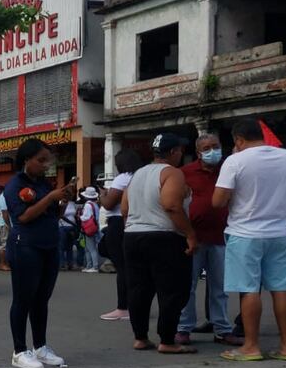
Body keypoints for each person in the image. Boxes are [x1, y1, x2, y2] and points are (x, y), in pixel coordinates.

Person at [212, 119, 286, 361]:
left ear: (238, 140)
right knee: (282, 288)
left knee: (249, 290)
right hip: (282, 232)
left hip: (245, 233)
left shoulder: (235, 161)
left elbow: (218, 201)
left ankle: (251, 346)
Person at [122, 133, 197, 354]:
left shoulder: (137, 174)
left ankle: (140, 337)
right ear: (173, 152)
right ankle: (167, 340)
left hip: (133, 235)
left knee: (138, 289)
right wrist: (190, 234)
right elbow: (172, 205)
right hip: (164, 237)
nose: (181, 155)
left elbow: (125, 209)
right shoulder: (172, 173)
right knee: (173, 290)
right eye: (180, 151)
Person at [3, 138, 72, 368]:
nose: (45, 165)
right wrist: (51, 198)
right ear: (26, 160)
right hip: (26, 246)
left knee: (42, 299)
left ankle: (40, 346)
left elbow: (53, 213)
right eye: (40, 160)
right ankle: (20, 350)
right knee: (23, 299)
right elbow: (23, 217)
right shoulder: (15, 184)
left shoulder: (44, 184)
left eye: (47, 160)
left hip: (49, 245)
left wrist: (62, 200)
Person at [177, 133, 239, 347]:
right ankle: (183, 328)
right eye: (207, 148)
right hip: (193, 238)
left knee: (220, 287)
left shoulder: (228, 169)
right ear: (199, 152)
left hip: (222, 237)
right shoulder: (185, 173)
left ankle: (222, 328)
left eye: (216, 146)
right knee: (187, 286)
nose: (213, 151)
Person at [99, 148, 143, 321]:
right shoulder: (141, 177)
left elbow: (109, 204)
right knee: (134, 267)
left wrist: (102, 195)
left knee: (122, 267)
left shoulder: (122, 178)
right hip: (136, 222)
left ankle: (123, 307)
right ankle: (137, 304)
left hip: (117, 223)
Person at [78, 187, 101, 273]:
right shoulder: (95, 204)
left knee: (90, 248)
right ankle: (89, 265)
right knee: (89, 248)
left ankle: (94, 266)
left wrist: (80, 216)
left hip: (88, 228)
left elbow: (86, 217)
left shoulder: (88, 205)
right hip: (94, 227)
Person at [0, 185, 10, 271]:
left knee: (7, 245)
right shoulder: (3, 197)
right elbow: (4, 213)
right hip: (4, 224)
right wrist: (9, 225)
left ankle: (6, 263)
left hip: (5, 223)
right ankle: (2, 264)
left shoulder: (4, 196)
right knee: (4, 245)